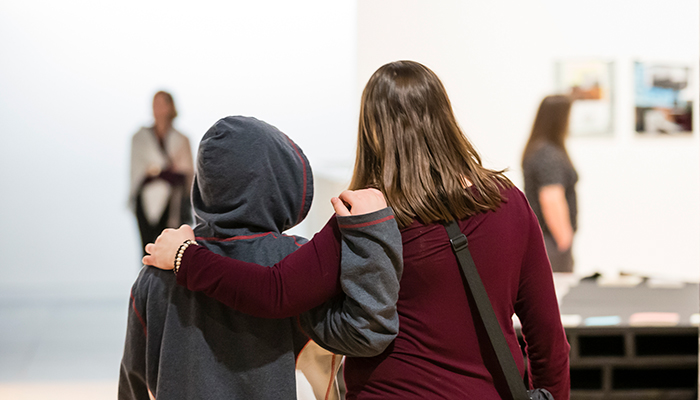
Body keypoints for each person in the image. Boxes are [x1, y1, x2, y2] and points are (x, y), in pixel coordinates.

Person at [145, 61, 571, 399]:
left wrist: (185, 256)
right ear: (444, 117)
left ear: (372, 131)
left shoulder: (370, 216)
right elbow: (548, 337)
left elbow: (275, 291)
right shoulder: (507, 202)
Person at [119, 116, 403, 400]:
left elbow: (134, 379)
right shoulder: (295, 262)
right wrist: (374, 236)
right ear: (283, 182)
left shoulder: (159, 268)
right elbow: (361, 336)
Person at [129, 91, 194, 254]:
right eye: (155, 103)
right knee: (147, 249)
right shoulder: (140, 138)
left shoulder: (181, 139)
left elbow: (186, 174)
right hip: (145, 200)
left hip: (173, 201)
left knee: (171, 250)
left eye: (162, 103)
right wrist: (166, 172)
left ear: (170, 107)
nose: (157, 108)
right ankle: (147, 280)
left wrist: (158, 172)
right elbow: (138, 173)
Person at [522, 95, 578, 273]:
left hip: (547, 240)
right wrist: (564, 238)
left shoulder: (541, 149)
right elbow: (551, 197)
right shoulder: (547, 153)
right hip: (551, 241)